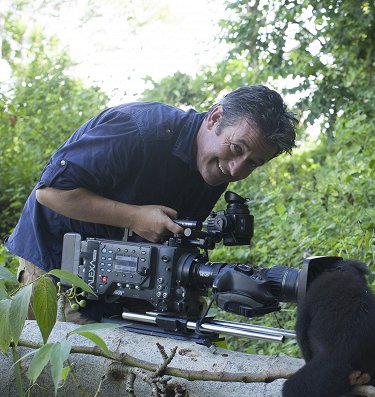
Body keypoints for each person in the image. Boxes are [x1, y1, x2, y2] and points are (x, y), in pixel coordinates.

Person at [5, 85, 298, 322]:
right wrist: (134, 217)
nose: (236, 170)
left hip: (127, 274)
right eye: (236, 149)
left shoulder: (216, 170)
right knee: (64, 368)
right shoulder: (138, 130)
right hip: (55, 262)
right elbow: (51, 192)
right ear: (215, 118)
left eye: (253, 163)